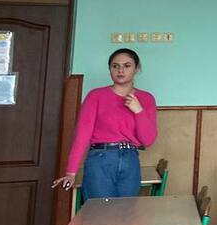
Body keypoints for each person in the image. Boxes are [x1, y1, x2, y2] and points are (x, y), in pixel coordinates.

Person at [52, 48, 157, 200]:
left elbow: (148, 140)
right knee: (99, 211)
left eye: (127, 66)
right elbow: (82, 135)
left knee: (126, 211)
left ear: (136, 69)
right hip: (100, 158)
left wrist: (138, 111)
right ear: (109, 69)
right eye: (115, 66)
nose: (120, 70)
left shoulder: (146, 98)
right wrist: (71, 172)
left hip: (130, 159)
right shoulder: (96, 96)